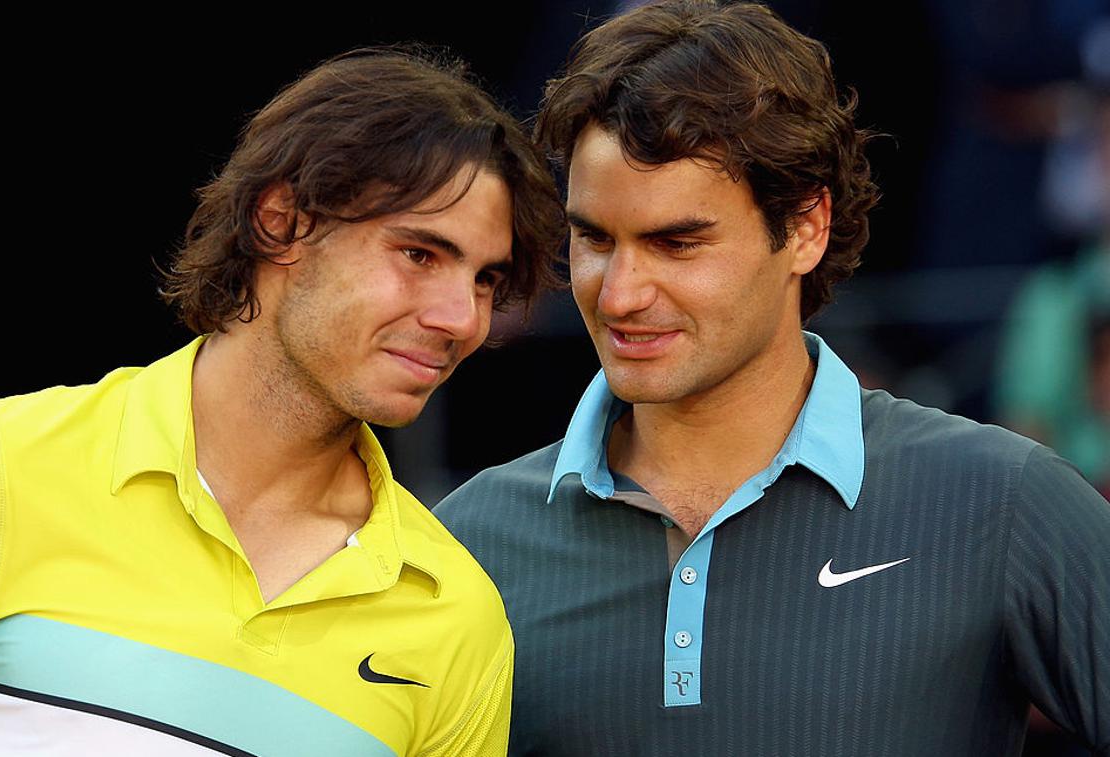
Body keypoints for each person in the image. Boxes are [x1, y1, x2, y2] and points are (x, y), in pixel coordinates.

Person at [433, 3, 1110, 755]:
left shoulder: (1004, 500)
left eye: (677, 242)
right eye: (594, 237)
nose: (619, 293)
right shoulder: (468, 542)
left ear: (806, 228)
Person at [0, 48, 564, 756]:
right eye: (419, 254)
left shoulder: (456, 616)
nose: (462, 318)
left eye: (485, 279)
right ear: (281, 223)